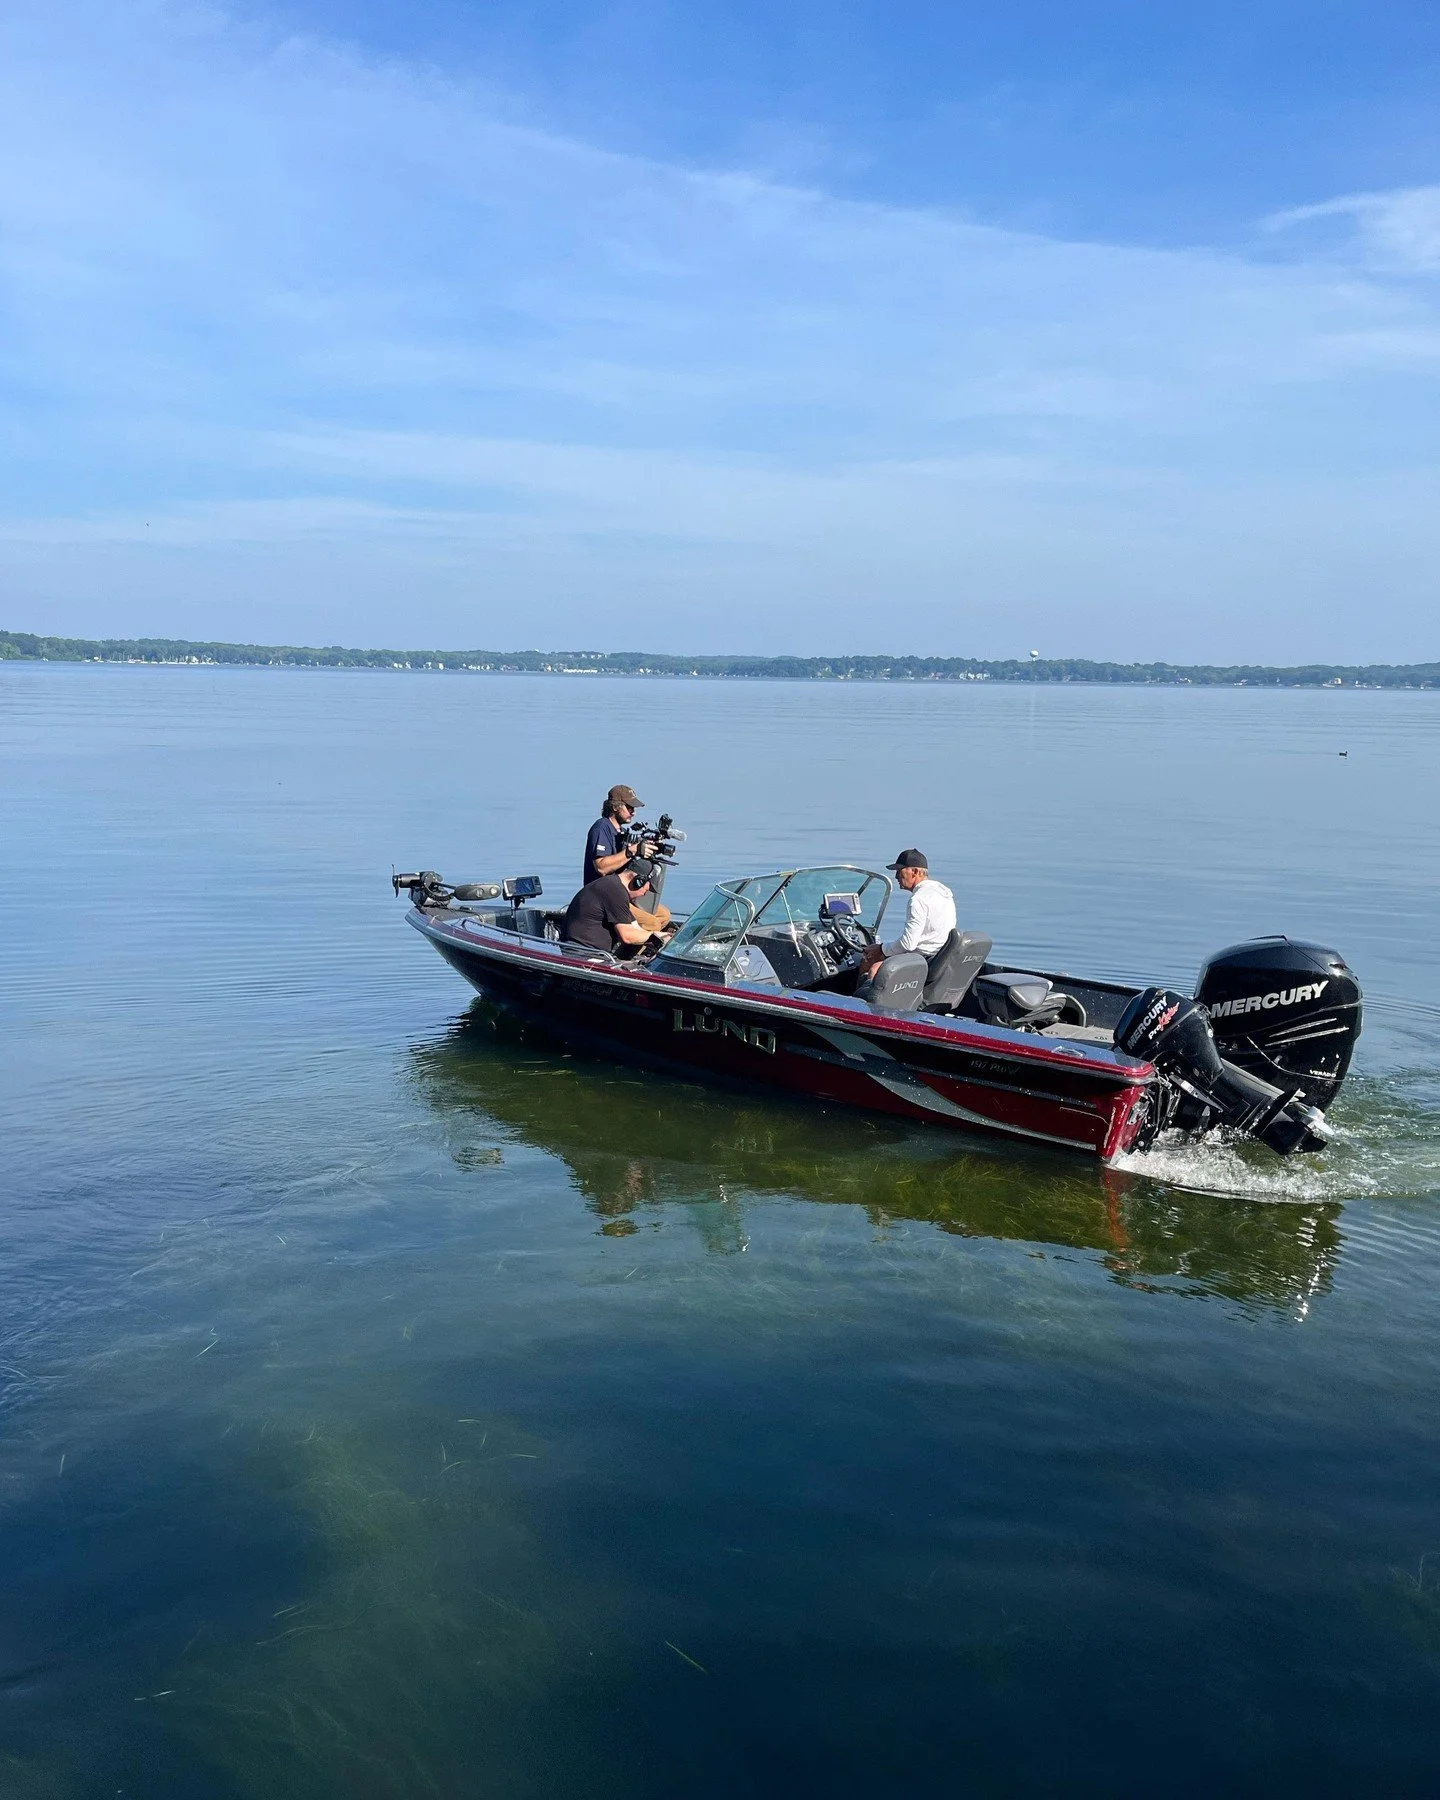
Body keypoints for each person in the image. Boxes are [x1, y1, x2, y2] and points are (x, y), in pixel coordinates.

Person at [858, 849, 956, 979]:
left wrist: (880, 949)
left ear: (915, 872)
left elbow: (908, 944)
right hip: (940, 956)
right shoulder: (943, 893)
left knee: (871, 964)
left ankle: (860, 992)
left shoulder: (918, 900)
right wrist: (884, 949)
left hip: (923, 958)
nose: (896, 876)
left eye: (899, 871)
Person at [562, 858, 664, 957]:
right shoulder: (614, 891)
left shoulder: (613, 886)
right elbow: (627, 936)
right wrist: (657, 936)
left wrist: (663, 936)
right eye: (647, 888)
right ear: (639, 881)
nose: (645, 894)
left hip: (593, 952)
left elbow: (635, 927)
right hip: (582, 954)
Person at [583, 785, 643, 886]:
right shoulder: (601, 827)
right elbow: (601, 868)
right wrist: (632, 851)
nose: (633, 813)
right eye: (629, 807)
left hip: (617, 890)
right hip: (599, 892)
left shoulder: (622, 832)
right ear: (615, 807)